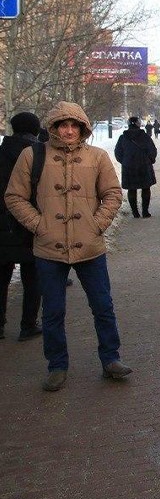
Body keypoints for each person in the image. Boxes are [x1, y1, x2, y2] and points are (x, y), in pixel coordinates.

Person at [4, 101, 130, 391]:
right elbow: (14, 197)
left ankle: (111, 359)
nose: (69, 130)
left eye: (75, 125)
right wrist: (39, 225)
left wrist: (96, 224)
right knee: (53, 311)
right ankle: (57, 366)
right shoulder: (31, 155)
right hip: (49, 248)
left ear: (83, 127)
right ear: (54, 127)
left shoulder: (97, 157)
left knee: (103, 306)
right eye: (63, 125)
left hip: (90, 246)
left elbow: (112, 194)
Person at [0, 112, 43, 342]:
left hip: (2, 226)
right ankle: (28, 325)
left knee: (1, 277)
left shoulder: (1, 152)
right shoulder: (38, 156)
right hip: (29, 225)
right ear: (35, 130)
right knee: (32, 277)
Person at [114, 116, 158, 218]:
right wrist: (150, 160)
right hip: (144, 166)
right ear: (139, 124)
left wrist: (125, 161)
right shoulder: (145, 137)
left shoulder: (123, 137)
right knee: (146, 188)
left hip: (128, 167)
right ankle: (145, 212)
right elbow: (153, 150)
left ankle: (135, 212)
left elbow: (118, 153)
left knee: (131, 189)